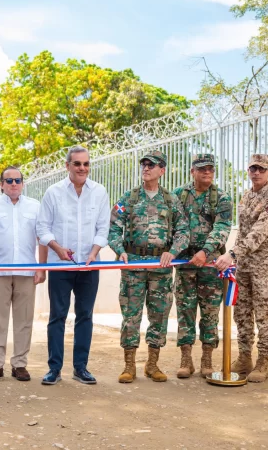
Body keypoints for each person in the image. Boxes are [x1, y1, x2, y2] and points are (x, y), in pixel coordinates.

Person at [109, 150, 189, 383]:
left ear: (162, 171)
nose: (146, 168)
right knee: (131, 316)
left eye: (152, 165)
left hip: (161, 268)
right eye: (144, 164)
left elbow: (183, 231)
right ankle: (129, 366)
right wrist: (119, 249)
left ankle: (152, 364)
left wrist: (172, 251)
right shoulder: (129, 198)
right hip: (133, 265)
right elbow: (113, 228)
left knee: (159, 315)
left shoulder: (170, 199)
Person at [36, 146, 111, 385]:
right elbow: (42, 228)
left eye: (86, 164)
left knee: (85, 316)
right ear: (67, 165)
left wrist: (94, 251)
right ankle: (54, 369)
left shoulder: (99, 192)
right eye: (77, 164)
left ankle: (81, 368)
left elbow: (103, 228)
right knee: (57, 316)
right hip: (60, 265)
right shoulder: (53, 192)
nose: (82, 168)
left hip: (89, 265)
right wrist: (57, 249)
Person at [215, 154, 268, 383]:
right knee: (242, 313)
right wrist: (234, 256)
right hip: (244, 264)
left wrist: (233, 254)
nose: (256, 172)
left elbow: (259, 233)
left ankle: (263, 362)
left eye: (261, 169)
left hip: (265, 266)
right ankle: (245, 357)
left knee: (264, 313)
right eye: (252, 168)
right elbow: (243, 231)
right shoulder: (247, 196)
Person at [0, 166, 48, 382]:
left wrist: (41, 267)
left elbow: (42, 236)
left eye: (18, 180)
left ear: (23, 184)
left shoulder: (35, 206)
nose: (14, 184)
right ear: (1, 184)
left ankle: (19, 364)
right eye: (9, 181)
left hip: (26, 271)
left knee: (24, 319)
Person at [173, 153, 232, 379]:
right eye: (202, 168)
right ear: (192, 172)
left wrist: (204, 251)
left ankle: (207, 359)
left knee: (210, 312)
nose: (207, 172)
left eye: (210, 168)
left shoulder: (222, 198)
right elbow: (174, 225)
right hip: (186, 263)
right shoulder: (179, 195)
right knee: (185, 311)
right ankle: (186, 360)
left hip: (210, 264)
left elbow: (222, 228)